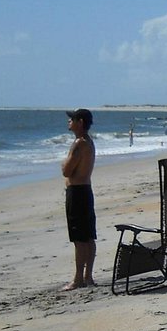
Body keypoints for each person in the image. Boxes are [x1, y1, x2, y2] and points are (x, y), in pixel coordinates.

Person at [61, 109, 96, 291]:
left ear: (80, 122)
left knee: (80, 238)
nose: (69, 122)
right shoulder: (89, 142)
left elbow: (66, 170)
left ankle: (78, 279)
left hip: (77, 191)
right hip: (85, 190)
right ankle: (87, 276)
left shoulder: (79, 144)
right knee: (88, 236)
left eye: (71, 120)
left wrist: (63, 162)